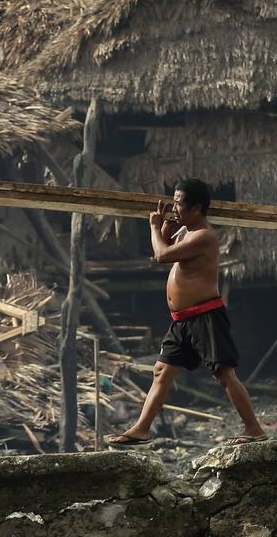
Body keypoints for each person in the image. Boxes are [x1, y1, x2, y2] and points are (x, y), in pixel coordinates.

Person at [107, 178, 266, 447]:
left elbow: (162, 255)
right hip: (181, 320)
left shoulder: (204, 236)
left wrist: (155, 226)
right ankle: (142, 428)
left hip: (204, 315)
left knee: (224, 374)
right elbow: (164, 247)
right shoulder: (185, 232)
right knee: (161, 372)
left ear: (196, 209)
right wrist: (167, 228)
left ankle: (254, 428)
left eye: (179, 205)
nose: (175, 208)